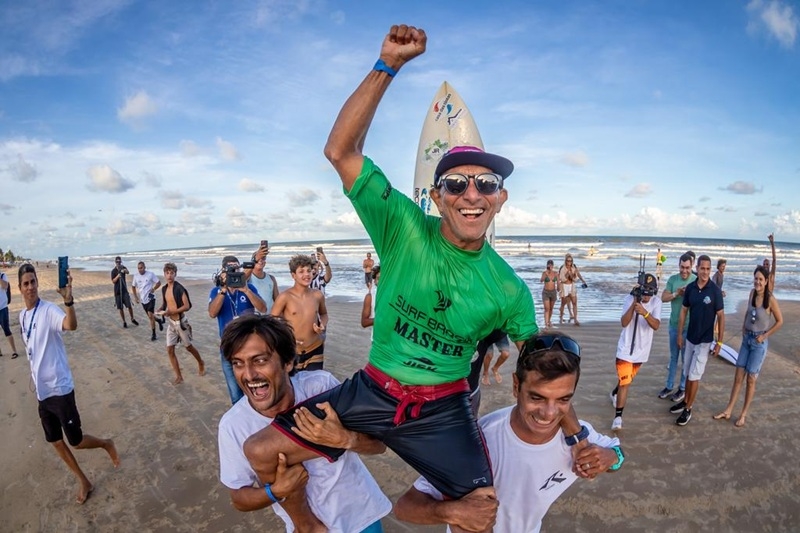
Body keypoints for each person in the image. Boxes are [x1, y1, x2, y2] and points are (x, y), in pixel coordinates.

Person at [243, 24, 588, 530]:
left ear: (500, 198)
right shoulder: (403, 228)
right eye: (457, 184)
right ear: (437, 196)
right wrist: (388, 64)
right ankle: (310, 523)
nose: (472, 195)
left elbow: (545, 370)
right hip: (372, 390)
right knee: (259, 451)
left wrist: (577, 436)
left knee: (481, 512)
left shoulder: (509, 290)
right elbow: (340, 151)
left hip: (444, 409)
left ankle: (407, 485)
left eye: (486, 184)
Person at [394, 334, 624, 532]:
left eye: (563, 399)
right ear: (516, 386)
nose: (549, 413)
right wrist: (452, 511)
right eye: (537, 397)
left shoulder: (578, 436)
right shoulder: (479, 441)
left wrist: (610, 458)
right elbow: (405, 507)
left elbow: (617, 454)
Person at [217, 314, 391, 532]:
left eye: (260, 360)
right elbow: (239, 499)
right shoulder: (233, 426)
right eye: (238, 363)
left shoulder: (321, 387)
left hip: (361, 515)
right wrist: (276, 491)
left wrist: (346, 439)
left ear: (288, 362)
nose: (249, 375)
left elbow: (378, 446)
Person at [17, 264, 119, 504]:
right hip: (42, 393)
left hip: (60, 389)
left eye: (33, 282)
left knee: (76, 441)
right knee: (55, 441)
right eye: (26, 283)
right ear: (20, 288)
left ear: (37, 284)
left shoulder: (49, 310)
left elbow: (71, 325)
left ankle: (106, 444)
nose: (30, 287)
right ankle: (84, 481)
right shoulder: (22, 316)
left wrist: (69, 301)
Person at [714, 266, 783, 427]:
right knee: (738, 377)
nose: (757, 282)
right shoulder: (752, 293)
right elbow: (748, 311)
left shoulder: (770, 299)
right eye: (756, 278)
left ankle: (743, 414)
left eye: (761, 279)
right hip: (746, 340)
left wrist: (764, 336)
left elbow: (780, 321)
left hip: (759, 343)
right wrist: (744, 326)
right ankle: (728, 410)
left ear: (766, 281)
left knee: (751, 380)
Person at [671, 254, 725, 426]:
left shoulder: (715, 291)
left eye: (708, 269)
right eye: (702, 268)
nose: (705, 272)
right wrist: (680, 335)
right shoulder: (691, 288)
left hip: (705, 341)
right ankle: (685, 401)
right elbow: (683, 311)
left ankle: (688, 408)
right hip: (690, 338)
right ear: (697, 268)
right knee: (687, 372)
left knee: (694, 376)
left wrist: (719, 342)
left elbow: (721, 316)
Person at [209, 255, 267, 404]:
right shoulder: (216, 291)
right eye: (230, 269)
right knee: (235, 394)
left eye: (236, 268)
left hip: (249, 346)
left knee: (255, 386)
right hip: (229, 348)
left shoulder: (249, 288)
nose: (234, 271)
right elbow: (212, 313)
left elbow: (263, 308)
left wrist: (246, 290)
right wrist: (223, 289)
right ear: (223, 271)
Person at [609, 273, 662, 430]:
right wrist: (634, 304)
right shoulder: (629, 299)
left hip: (642, 350)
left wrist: (645, 313)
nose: (647, 297)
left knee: (626, 380)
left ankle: (614, 392)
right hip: (625, 349)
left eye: (650, 293)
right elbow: (624, 323)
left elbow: (656, 325)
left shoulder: (656, 302)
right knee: (625, 383)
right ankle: (618, 417)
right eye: (644, 293)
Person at [271, 255, 329, 372]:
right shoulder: (285, 297)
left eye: (309, 271)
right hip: (292, 350)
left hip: (315, 348)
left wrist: (322, 324)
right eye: (301, 271)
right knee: (293, 383)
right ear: (293, 275)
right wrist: (286, 336)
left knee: (314, 382)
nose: (306, 274)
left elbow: (324, 314)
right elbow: (272, 321)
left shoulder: (317, 295)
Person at [658, 253, 696, 403]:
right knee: (673, 357)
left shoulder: (695, 280)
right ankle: (669, 386)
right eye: (682, 267)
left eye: (687, 268)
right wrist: (677, 293)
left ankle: (682, 388)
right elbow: (663, 298)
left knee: (686, 359)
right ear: (678, 266)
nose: (684, 271)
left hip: (689, 327)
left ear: (692, 266)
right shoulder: (673, 279)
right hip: (674, 325)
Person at [159, 263, 205, 385]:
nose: (169, 275)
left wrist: (172, 312)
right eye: (167, 273)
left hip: (181, 323)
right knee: (170, 349)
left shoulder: (179, 288)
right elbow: (165, 304)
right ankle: (179, 376)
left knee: (188, 347)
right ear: (164, 274)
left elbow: (187, 306)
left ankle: (200, 362)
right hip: (171, 323)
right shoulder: (164, 289)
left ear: (175, 274)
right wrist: (160, 310)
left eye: (172, 273)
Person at [131, 261, 164, 341]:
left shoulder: (150, 274)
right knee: (150, 316)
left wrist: (154, 289)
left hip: (151, 297)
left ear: (145, 267)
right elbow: (133, 286)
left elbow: (159, 283)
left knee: (150, 315)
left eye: (141, 268)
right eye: (138, 268)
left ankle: (154, 334)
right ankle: (159, 320)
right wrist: (136, 297)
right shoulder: (136, 276)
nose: (140, 269)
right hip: (143, 299)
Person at [247, 242, 279, 315]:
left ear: (265, 262)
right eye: (258, 259)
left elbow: (277, 300)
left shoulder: (271, 278)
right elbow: (242, 279)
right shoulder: (248, 277)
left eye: (263, 258)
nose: (261, 260)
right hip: (254, 316)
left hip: (269, 316)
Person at [558, 253, 587, 326]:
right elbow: (562, 279)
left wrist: (574, 276)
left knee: (574, 303)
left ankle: (575, 319)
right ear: (565, 261)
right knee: (563, 304)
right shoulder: (563, 268)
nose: (569, 262)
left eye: (570, 261)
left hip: (572, 286)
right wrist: (567, 275)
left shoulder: (573, 267)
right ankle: (561, 317)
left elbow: (575, 278)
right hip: (564, 286)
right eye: (568, 261)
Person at [111, 257, 138, 328]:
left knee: (129, 306)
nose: (118, 263)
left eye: (119, 262)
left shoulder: (123, 267)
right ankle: (124, 321)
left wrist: (124, 270)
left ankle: (132, 318)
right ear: (115, 262)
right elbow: (113, 281)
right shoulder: (113, 271)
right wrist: (118, 276)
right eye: (117, 262)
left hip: (124, 291)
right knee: (120, 308)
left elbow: (128, 272)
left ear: (121, 262)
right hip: (117, 292)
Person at [0, 271, 21, 358]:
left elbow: (5, 286)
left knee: (6, 329)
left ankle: (14, 351)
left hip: (3, 308)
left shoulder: (3, 275)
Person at [360, 265, 380, 332]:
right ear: (374, 281)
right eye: (378, 278)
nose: (381, 282)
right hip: (378, 336)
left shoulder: (394, 295)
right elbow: (364, 322)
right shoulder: (370, 297)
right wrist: (383, 320)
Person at [540, 259, 558, 329]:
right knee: (546, 308)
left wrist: (560, 289)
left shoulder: (555, 273)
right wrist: (546, 274)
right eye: (548, 265)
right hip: (546, 292)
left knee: (551, 308)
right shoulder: (544, 273)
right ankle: (546, 323)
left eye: (551, 265)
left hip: (553, 292)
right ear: (547, 266)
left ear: (553, 266)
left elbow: (558, 282)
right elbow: (541, 280)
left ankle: (549, 321)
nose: (550, 267)